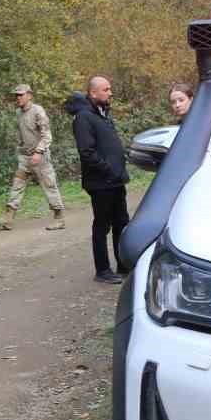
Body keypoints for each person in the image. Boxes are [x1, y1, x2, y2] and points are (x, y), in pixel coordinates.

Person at [67, 76, 129, 285]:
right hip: (101, 183)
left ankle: (123, 265)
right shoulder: (83, 117)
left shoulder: (102, 114)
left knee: (122, 223)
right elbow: (87, 152)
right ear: (93, 93)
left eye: (109, 89)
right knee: (102, 226)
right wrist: (109, 170)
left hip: (116, 182)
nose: (110, 92)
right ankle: (102, 270)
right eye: (106, 89)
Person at [0, 84, 65, 232]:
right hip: (25, 158)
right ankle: (8, 219)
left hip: (40, 157)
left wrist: (38, 152)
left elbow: (47, 135)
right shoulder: (18, 112)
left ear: (29, 95)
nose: (18, 97)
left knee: (49, 186)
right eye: (16, 95)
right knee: (17, 185)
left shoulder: (38, 111)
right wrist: (20, 151)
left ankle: (59, 219)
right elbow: (21, 134)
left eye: (21, 95)